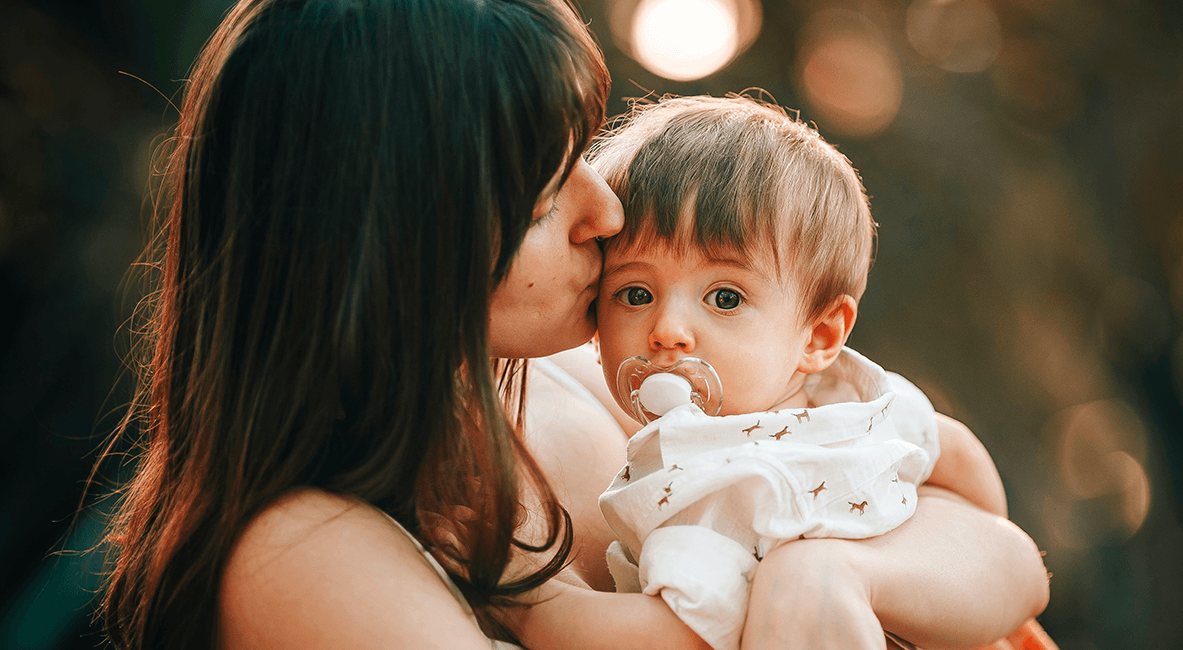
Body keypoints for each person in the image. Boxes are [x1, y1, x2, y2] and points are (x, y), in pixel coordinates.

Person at [93, 0, 697, 648]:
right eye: (543, 201)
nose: (607, 213)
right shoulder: (307, 560)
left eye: (584, 152)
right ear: (387, 251)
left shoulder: (598, 373)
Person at [507, 96, 1054, 650]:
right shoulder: (853, 403)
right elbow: (963, 465)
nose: (667, 329)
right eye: (636, 293)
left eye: (724, 297)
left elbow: (672, 639)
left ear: (819, 335)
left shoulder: (703, 481)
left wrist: (537, 606)